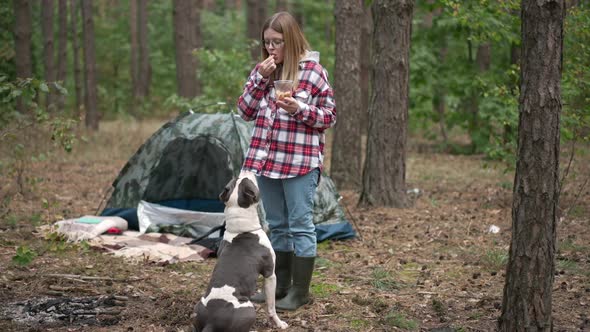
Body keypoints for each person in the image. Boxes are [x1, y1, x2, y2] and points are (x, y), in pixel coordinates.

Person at [237, 11, 336, 311]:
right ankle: (279, 287)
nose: (271, 49)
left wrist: (298, 108)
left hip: (299, 162)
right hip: (267, 161)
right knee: (277, 225)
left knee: (301, 225)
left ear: (290, 41)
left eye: (277, 42)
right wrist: (258, 78)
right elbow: (244, 111)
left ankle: (300, 292)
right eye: (267, 42)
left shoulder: (313, 73)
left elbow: (329, 117)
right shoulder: (264, 72)